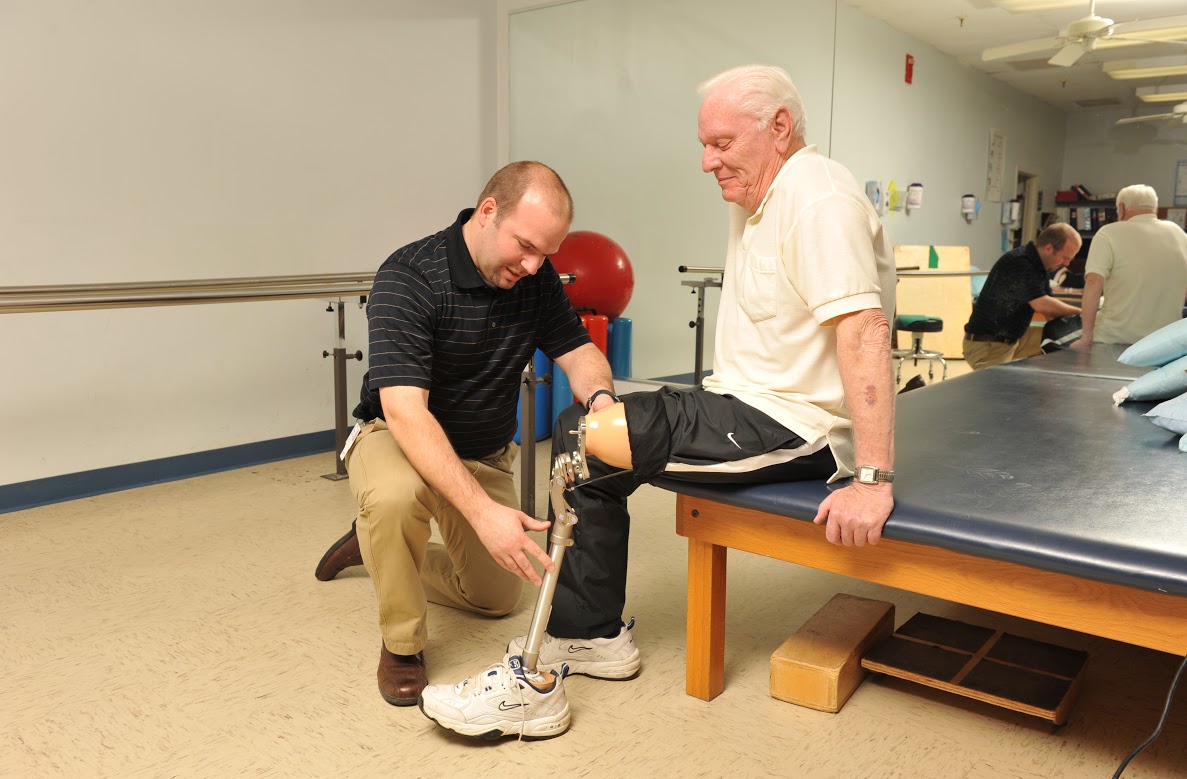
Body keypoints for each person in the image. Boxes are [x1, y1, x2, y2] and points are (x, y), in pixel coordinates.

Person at [419, 64, 898, 740]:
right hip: (745, 406)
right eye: (705, 144)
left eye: (723, 143)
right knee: (585, 428)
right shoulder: (764, 196)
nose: (708, 162)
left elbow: (864, 329)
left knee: (585, 448)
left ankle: (539, 678)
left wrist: (872, 479)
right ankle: (592, 635)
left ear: (780, 128)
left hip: (799, 430)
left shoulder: (817, 198)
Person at [313, 161, 616, 707]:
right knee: (394, 498)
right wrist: (482, 515)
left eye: (545, 254)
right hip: (395, 437)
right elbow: (406, 413)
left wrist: (601, 401)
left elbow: (581, 353)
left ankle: (373, 545)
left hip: (483, 452)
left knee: (497, 597)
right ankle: (402, 646)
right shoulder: (408, 277)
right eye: (524, 246)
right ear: (487, 211)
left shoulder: (535, 279)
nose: (531, 265)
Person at [1071, 185, 1187, 348]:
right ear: (1154, 208)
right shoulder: (1180, 234)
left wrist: (1086, 337)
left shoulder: (1108, 233)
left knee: (1054, 337)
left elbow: (1093, 282)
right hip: (1164, 343)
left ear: (1122, 208)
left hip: (1115, 338)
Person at [961, 223, 1083, 370]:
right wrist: (1082, 313)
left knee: (1061, 337)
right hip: (989, 345)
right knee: (997, 391)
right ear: (1049, 248)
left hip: (1014, 338)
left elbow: (1050, 313)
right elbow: (1041, 304)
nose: (1067, 264)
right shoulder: (1020, 262)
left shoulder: (1039, 268)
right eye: (1065, 258)